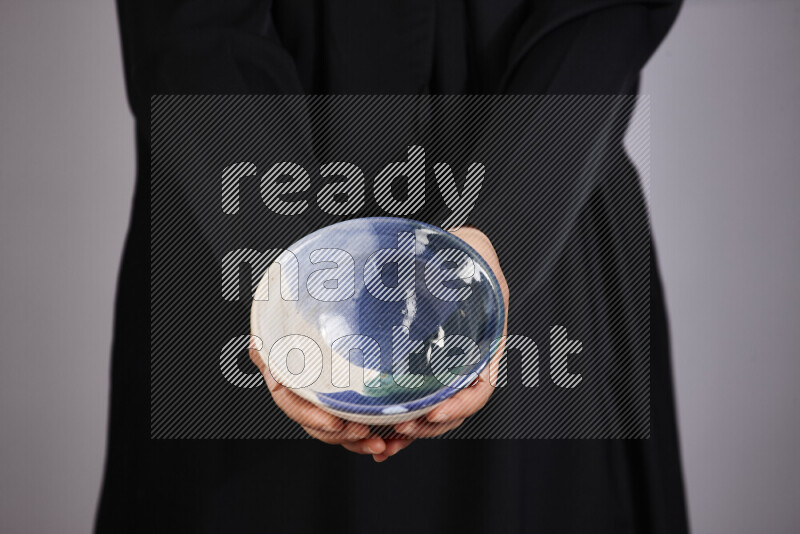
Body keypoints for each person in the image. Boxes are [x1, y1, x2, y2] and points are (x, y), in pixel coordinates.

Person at [98, 1, 687, 532]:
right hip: (226, 197)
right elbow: (189, 22)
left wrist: (501, 235)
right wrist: (290, 278)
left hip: (548, 205)